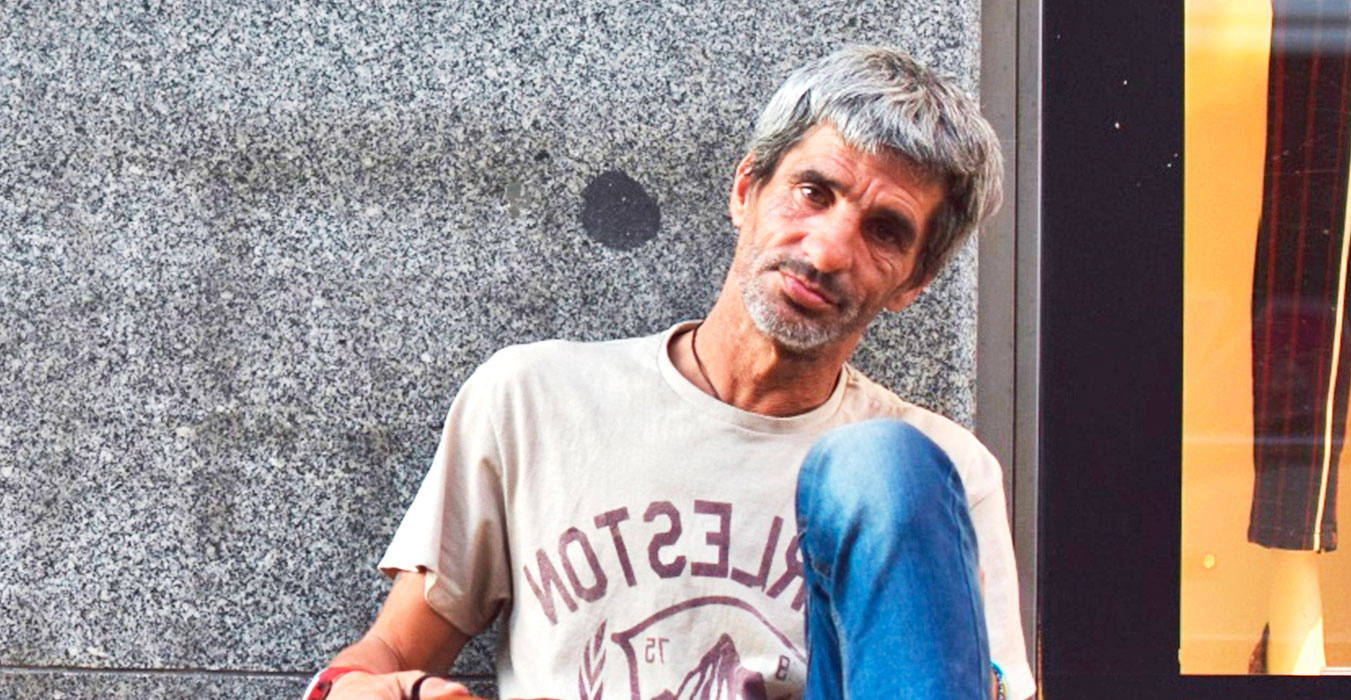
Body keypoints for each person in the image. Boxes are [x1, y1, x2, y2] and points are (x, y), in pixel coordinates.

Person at [304, 45, 1034, 700]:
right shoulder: (534, 401)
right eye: (813, 192)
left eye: (884, 231)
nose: (826, 252)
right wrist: (355, 693)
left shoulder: (946, 472)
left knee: (884, 466)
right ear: (746, 190)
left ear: (914, 283)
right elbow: (390, 651)